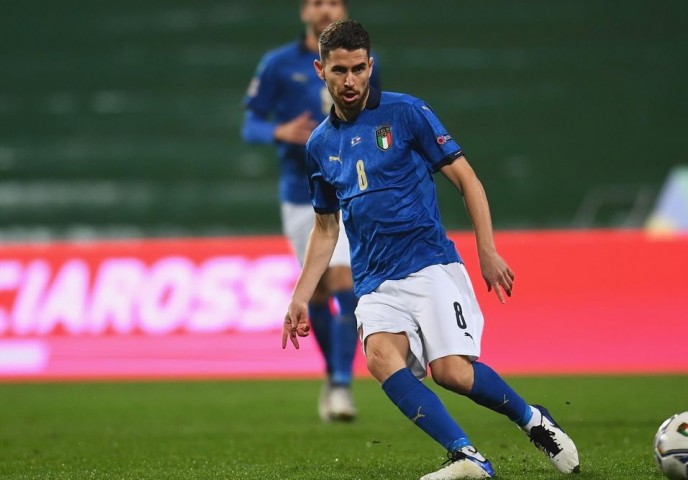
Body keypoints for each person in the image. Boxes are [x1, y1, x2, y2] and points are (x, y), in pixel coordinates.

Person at [283, 20, 580, 479]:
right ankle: (467, 456)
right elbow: (325, 226)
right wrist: (301, 294)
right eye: (339, 71)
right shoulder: (320, 144)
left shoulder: (407, 113)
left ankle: (532, 419)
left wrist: (487, 250)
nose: (350, 81)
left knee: (452, 373)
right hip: (375, 281)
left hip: (430, 265)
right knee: (381, 358)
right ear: (322, 70)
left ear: (370, 66)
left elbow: (467, 179)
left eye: (359, 69)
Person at [242, 0, 379, 420]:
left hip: (349, 190)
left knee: (344, 281)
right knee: (316, 293)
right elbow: (250, 124)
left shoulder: (358, 62)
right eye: (317, 3)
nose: (325, 10)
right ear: (304, 11)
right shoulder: (278, 64)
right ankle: (333, 371)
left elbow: (378, 119)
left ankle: (341, 384)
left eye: (332, 2)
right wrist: (277, 131)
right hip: (300, 194)